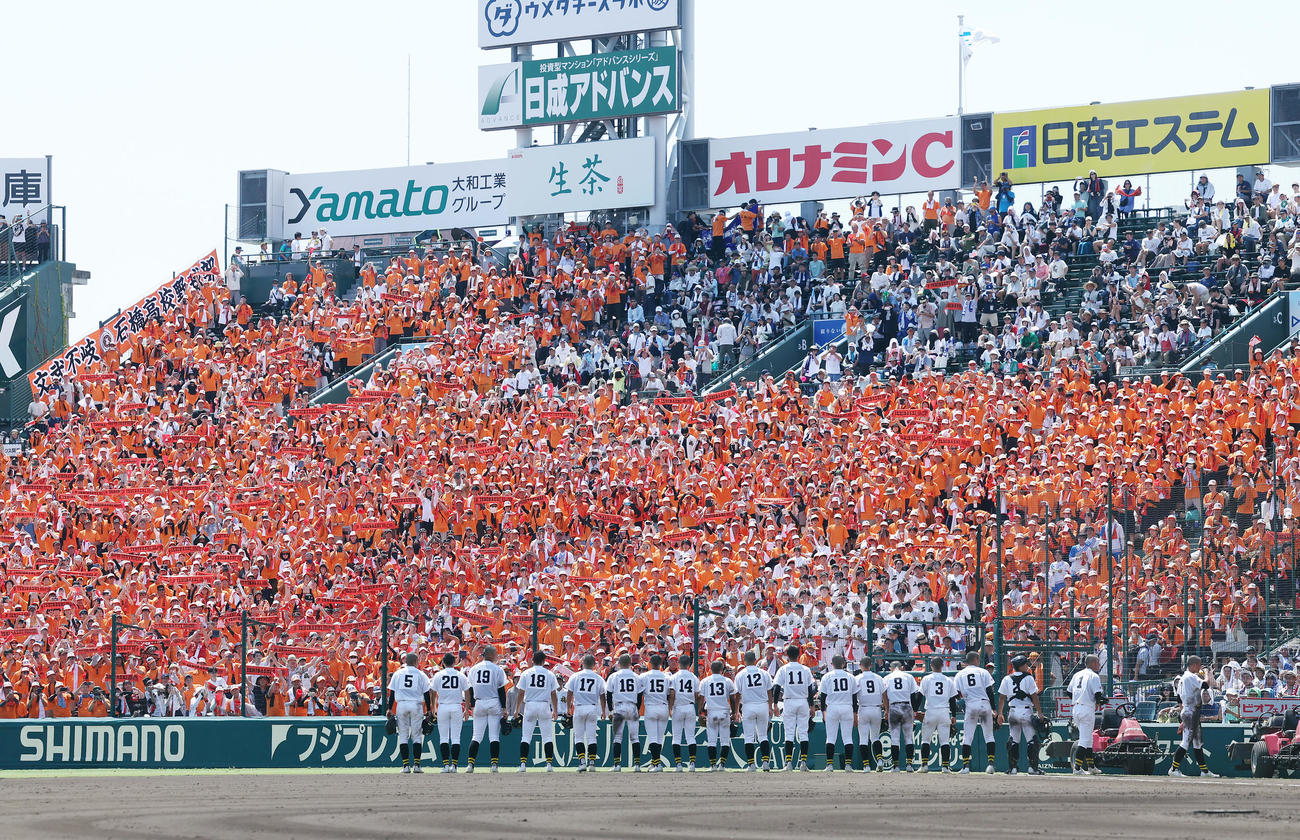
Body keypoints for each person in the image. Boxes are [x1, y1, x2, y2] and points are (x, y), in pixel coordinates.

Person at [1170, 655, 1219, 777]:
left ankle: (1204, 771)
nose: (1200, 667)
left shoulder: (1183, 678)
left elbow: (1179, 698)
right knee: (1186, 742)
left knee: (1197, 743)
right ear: (1193, 665)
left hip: (1191, 712)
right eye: (1199, 665)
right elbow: (1206, 685)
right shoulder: (1190, 676)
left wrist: (1183, 712)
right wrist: (1207, 672)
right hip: (1190, 713)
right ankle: (1173, 769)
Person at [385, 652, 432, 774]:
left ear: (405, 661)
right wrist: (429, 709)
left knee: (403, 736)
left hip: (402, 705)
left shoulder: (398, 673)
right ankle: (417, 765)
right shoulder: (421, 674)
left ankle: (406, 766)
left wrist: (389, 708)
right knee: (417, 736)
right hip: (416, 705)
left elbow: (392, 693)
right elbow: (427, 693)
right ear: (416, 662)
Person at [512, 650, 559, 773]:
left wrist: (517, 709)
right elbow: (553, 694)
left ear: (532, 660)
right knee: (547, 737)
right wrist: (555, 710)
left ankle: (523, 764)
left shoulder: (526, 673)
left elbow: (521, 693)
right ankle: (549, 764)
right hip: (544, 705)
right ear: (544, 661)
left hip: (530, 705)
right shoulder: (550, 674)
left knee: (526, 737)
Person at [997, 654, 1044, 775]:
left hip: (1013, 712)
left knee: (1013, 740)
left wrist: (1000, 714)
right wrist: (1039, 713)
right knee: (1031, 741)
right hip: (1026, 711)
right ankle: (1032, 768)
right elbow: (1034, 696)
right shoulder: (1028, 678)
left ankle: (1012, 768)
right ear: (1021, 666)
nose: (1027, 666)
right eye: (1025, 664)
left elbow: (1001, 698)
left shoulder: (1006, 678)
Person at [464, 645, 507, 773]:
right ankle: (494, 765)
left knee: (476, 736)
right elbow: (501, 690)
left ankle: (470, 764)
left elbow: (470, 689)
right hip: (494, 702)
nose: (497, 656)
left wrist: (472, 705)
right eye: (495, 654)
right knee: (494, 736)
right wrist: (504, 707)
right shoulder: (497, 669)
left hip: (479, 702)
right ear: (491, 655)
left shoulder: (474, 669)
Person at [954, 651, 998, 773]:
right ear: (976, 659)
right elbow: (989, 691)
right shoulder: (983, 672)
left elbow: (956, 694)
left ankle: (965, 767)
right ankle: (990, 765)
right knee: (989, 736)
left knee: (967, 737)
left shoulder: (960, 674)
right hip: (984, 704)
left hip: (971, 704)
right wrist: (994, 709)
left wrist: (963, 696)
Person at [774, 644, 814, 771]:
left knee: (789, 733)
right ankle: (803, 763)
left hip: (789, 701)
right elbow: (811, 689)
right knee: (803, 733)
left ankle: (789, 763)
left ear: (787, 655)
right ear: (798, 655)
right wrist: (812, 705)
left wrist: (775, 704)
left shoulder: (783, 669)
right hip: (803, 701)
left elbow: (776, 687)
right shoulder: (805, 669)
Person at [564, 653, 606, 772]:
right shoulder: (598, 678)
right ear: (594, 665)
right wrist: (603, 711)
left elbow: (569, 693)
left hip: (579, 707)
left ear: (582, 663)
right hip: (592, 708)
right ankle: (592, 764)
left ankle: (582, 763)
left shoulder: (575, 676)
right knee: (592, 737)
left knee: (579, 737)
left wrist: (568, 708)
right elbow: (602, 696)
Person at [734, 650, 775, 771]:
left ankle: (751, 764)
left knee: (749, 737)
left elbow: (737, 694)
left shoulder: (740, 674)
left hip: (748, 706)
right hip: (762, 705)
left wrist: (736, 710)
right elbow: (769, 691)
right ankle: (765, 762)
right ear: (755, 660)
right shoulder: (764, 673)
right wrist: (770, 706)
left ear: (745, 661)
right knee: (763, 736)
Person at [918, 656, 957, 773]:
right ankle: (945, 767)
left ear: (931, 666)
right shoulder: (948, 680)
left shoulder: (926, 679)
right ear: (942, 666)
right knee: (945, 741)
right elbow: (952, 700)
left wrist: (915, 710)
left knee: (926, 740)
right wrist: (954, 715)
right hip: (944, 711)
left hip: (930, 710)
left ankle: (924, 765)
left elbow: (919, 696)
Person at [605, 653, 643, 771]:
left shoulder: (614, 676)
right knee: (635, 738)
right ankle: (637, 765)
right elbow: (640, 695)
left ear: (619, 664)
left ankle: (617, 765)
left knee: (617, 737)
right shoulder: (636, 676)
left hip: (619, 706)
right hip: (632, 706)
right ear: (630, 663)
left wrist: (610, 710)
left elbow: (609, 694)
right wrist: (637, 709)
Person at [1068, 654, 1105, 775]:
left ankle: (1091, 766)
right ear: (1092, 663)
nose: (1099, 664)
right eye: (1097, 662)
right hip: (1087, 709)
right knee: (1084, 740)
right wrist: (1100, 701)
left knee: (1088, 739)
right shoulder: (1094, 675)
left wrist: (1079, 698)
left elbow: (1068, 692)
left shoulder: (1077, 674)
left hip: (1076, 708)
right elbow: (1098, 695)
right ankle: (1077, 768)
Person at [818, 654, 855, 772]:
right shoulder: (851, 677)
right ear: (843, 664)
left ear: (832, 664)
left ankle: (829, 765)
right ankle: (848, 765)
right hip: (847, 707)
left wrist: (823, 711)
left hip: (832, 707)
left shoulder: (827, 676)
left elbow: (822, 697)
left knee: (830, 738)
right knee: (848, 738)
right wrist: (855, 712)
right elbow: (854, 697)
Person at [699, 659, 737, 771]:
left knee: (712, 741)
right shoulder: (727, 681)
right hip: (724, 711)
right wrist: (734, 712)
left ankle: (713, 765)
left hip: (712, 711)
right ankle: (722, 765)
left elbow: (701, 698)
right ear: (722, 670)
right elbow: (733, 698)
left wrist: (700, 712)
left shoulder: (705, 681)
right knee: (725, 740)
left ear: (711, 669)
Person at [431, 652, 466, 772]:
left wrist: (433, 707)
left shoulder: (438, 675)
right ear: (455, 662)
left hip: (443, 706)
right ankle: (454, 766)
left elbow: (433, 692)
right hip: (456, 706)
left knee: (443, 738)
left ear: (443, 663)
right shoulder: (460, 675)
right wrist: (467, 707)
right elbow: (467, 691)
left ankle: (446, 766)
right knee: (456, 738)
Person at [884, 660, 919, 772]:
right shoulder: (908, 676)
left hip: (894, 706)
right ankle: (909, 765)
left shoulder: (887, 677)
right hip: (906, 706)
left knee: (895, 739)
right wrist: (914, 710)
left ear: (891, 668)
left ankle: (896, 766)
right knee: (908, 738)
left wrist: (886, 709)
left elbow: (884, 695)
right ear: (902, 667)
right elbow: (914, 695)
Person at [640, 654, 672, 771]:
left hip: (651, 707)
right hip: (663, 706)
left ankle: (657, 764)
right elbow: (669, 694)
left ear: (650, 663)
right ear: (660, 664)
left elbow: (639, 694)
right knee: (659, 738)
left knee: (653, 737)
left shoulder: (644, 676)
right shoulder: (667, 676)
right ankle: (654, 763)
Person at [668, 654, 700, 771]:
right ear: (688, 664)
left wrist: (670, 708)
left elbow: (672, 694)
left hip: (678, 707)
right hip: (690, 706)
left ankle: (678, 765)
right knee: (690, 737)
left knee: (676, 737)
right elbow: (697, 695)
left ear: (678, 663)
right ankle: (692, 764)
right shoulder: (694, 677)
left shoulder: (674, 677)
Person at [854, 657, 886, 772]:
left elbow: (853, 695)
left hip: (863, 708)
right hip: (876, 708)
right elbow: (884, 694)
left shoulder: (857, 678)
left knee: (863, 739)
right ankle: (880, 760)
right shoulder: (878, 678)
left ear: (860, 665)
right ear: (871, 665)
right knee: (875, 737)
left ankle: (866, 765)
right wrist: (886, 709)